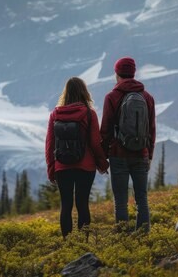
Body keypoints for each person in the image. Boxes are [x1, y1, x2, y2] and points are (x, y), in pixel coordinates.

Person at [45, 77, 109, 238]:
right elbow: (95, 142)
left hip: (62, 167)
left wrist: (51, 169)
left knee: (65, 206)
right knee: (82, 205)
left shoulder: (55, 114)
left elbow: (49, 144)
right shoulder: (89, 114)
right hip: (85, 166)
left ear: (65, 93)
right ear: (84, 92)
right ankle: (83, 243)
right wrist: (102, 164)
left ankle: (68, 244)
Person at [100, 57, 156, 233]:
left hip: (118, 155)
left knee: (121, 201)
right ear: (133, 73)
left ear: (117, 74)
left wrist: (103, 157)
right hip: (141, 153)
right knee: (142, 199)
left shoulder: (111, 97)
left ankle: (123, 241)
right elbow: (151, 129)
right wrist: (150, 155)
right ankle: (144, 238)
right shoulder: (147, 97)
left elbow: (106, 130)